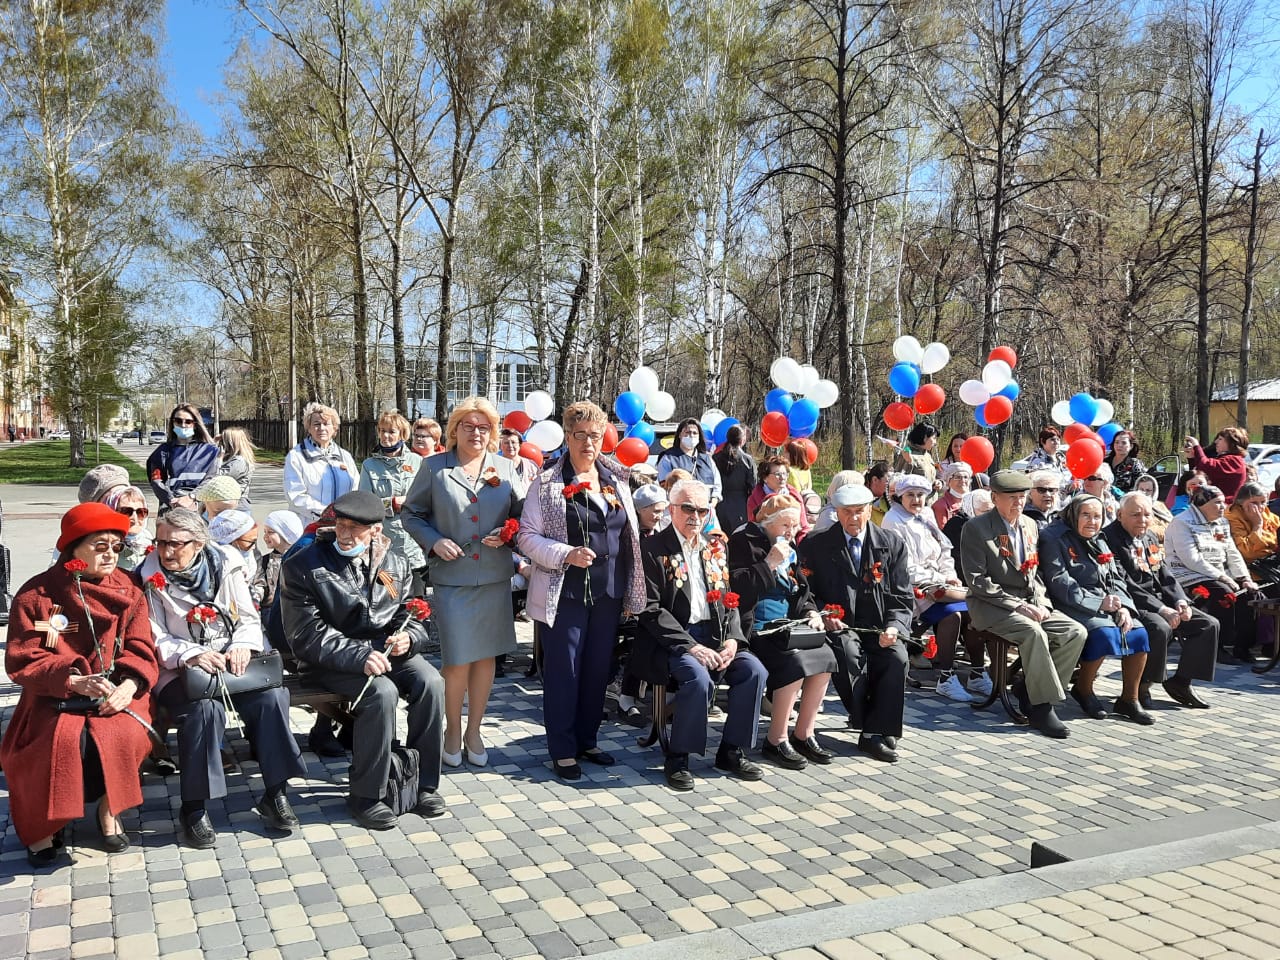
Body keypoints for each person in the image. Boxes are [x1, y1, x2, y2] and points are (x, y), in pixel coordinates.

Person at [2, 503, 159, 867]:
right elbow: (22, 659)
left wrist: (129, 685)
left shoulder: (130, 588)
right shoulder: (36, 595)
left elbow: (140, 646)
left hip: (115, 691)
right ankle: (46, 824)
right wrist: (71, 679)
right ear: (73, 548)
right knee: (52, 743)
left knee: (126, 734)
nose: (110, 555)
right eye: (100, 546)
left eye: (116, 547)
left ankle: (109, 809)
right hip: (53, 695)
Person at [139, 508, 307, 848]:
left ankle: (275, 793)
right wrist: (191, 654)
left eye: (175, 544)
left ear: (199, 543)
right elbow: (154, 635)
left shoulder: (225, 562)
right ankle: (194, 808)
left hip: (232, 663)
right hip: (180, 669)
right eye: (161, 542)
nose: (166, 551)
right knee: (204, 711)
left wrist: (242, 645)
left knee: (272, 698)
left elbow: (247, 617)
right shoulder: (149, 574)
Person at [280, 491, 446, 828]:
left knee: (431, 682)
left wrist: (409, 637)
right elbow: (305, 634)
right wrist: (359, 655)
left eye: (354, 528)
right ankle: (367, 795)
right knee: (381, 693)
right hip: (327, 660)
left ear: (375, 530)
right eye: (340, 524)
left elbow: (412, 614)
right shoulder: (304, 564)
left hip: (384, 651)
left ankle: (422, 784)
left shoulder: (396, 562)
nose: (344, 534)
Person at [517, 401, 646, 780]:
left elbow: (628, 532)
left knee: (596, 670)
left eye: (595, 435)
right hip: (565, 592)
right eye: (580, 435)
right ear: (567, 437)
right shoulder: (547, 483)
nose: (588, 443)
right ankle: (562, 749)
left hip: (609, 592)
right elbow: (526, 536)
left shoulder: (616, 479)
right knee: (565, 671)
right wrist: (565, 553)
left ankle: (588, 740)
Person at [402, 396, 523, 768]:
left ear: (493, 431)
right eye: (468, 426)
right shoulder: (435, 467)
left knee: (485, 657)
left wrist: (508, 532)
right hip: (452, 577)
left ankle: (475, 730)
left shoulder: (506, 467)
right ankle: (452, 730)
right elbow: (411, 513)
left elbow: (522, 516)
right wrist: (434, 540)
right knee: (457, 659)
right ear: (454, 430)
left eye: (484, 427)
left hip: (493, 577)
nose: (476, 433)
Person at [632, 479, 768, 790]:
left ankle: (731, 751)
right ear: (672, 509)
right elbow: (650, 609)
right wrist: (691, 646)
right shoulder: (652, 550)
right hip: (674, 640)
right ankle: (678, 757)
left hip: (716, 634)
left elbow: (730, 600)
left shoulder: (715, 547)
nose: (695, 516)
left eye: (702, 510)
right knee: (698, 678)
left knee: (754, 671)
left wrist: (733, 638)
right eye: (688, 509)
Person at [958, 470, 1087, 739]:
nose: (1018, 502)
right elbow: (977, 580)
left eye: (1022, 496)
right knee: (1033, 633)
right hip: (991, 605)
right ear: (995, 498)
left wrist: (1042, 603)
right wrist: (1017, 606)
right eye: (1011, 497)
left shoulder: (1029, 524)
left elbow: (1034, 572)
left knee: (1074, 632)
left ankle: (1030, 691)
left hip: (1029, 601)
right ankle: (1041, 708)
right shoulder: (976, 528)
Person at [798, 483, 912, 762]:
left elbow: (901, 596)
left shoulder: (891, 543)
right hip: (840, 625)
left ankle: (876, 728)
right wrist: (822, 614)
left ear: (870, 510)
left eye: (859, 511)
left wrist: (894, 626)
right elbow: (805, 591)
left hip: (879, 623)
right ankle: (873, 730)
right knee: (848, 655)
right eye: (846, 512)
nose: (853, 518)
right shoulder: (815, 543)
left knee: (896, 657)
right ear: (836, 512)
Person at [727, 494, 836, 770]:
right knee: (794, 661)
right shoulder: (744, 541)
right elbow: (737, 587)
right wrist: (769, 563)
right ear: (767, 522)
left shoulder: (789, 546)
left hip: (788, 624)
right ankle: (776, 739)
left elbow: (801, 590)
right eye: (785, 525)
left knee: (825, 656)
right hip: (756, 626)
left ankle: (804, 733)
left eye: (794, 526)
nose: (791, 531)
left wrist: (810, 611)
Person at [1039, 495, 1153, 724]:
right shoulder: (1053, 537)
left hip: (1105, 601)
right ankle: (1084, 689)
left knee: (1138, 633)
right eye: (1086, 515)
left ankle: (1129, 699)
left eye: (1097, 516)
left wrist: (1124, 607)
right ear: (1074, 514)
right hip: (1070, 602)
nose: (1092, 522)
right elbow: (1059, 581)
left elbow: (1115, 578)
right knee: (1105, 633)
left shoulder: (1099, 539)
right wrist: (1098, 603)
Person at [881, 475, 991, 702]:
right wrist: (939, 578)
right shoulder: (893, 520)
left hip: (939, 581)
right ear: (900, 497)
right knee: (952, 616)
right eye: (910, 495)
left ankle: (977, 673)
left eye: (920, 495)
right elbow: (904, 567)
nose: (916, 500)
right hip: (910, 586)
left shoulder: (927, 514)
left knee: (973, 611)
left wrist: (950, 575)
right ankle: (946, 678)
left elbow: (944, 550)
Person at [1104, 493, 1218, 709]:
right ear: (1120, 515)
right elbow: (1124, 583)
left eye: (1147, 515)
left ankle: (1181, 682)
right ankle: (1142, 686)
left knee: (1207, 624)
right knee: (1160, 627)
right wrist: (1162, 609)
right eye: (1136, 515)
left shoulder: (1149, 536)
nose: (1143, 520)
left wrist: (1180, 601)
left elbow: (1164, 573)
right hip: (1132, 602)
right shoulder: (1109, 538)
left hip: (1159, 599)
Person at [1165, 484, 1263, 663]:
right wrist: (1222, 577)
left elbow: (1232, 553)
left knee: (1250, 594)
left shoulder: (1222, 522)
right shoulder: (1181, 522)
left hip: (1218, 573)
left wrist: (1245, 578)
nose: (1223, 506)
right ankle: (1217, 648)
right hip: (1188, 575)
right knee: (1224, 594)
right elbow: (1192, 559)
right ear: (1202, 504)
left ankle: (1242, 647)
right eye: (1217, 502)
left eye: (1224, 502)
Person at [359, 411, 426, 591]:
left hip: (414, 545)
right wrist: (392, 503)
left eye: (391, 431)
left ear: (402, 435)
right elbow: (365, 505)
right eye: (382, 431)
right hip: (385, 545)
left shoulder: (418, 462)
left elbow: (428, 499)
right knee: (390, 598)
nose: (385, 436)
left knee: (417, 602)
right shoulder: (369, 466)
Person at [284, 402, 358, 524]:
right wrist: (326, 513)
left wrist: (347, 514)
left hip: (343, 524)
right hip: (309, 525)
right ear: (309, 428)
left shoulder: (345, 457)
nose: (322, 428)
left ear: (334, 427)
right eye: (316, 424)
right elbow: (295, 496)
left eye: (326, 424)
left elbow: (355, 489)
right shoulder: (296, 457)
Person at [146, 404, 220, 511]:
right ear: (173, 423)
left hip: (201, 507)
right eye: (178, 421)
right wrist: (171, 501)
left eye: (188, 422)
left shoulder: (211, 451)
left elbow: (212, 479)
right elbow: (157, 481)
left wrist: (192, 497)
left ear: (195, 424)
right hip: (171, 507)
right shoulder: (162, 451)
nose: (183, 425)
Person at [657, 417, 722, 504]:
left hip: (705, 508)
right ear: (679, 435)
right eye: (687, 432)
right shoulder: (668, 458)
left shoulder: (707, 459)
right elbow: (664, 488)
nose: (691, 436)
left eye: (695, 433)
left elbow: (717, 486)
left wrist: (712, 503)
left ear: (699, 437)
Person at [1226, 481, 1280, 585]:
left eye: (1263, 502)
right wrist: (1257, 525)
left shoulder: (1268, 515)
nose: (1260, 507)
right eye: (1254, 503)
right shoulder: (1232, 518)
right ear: (1240, 502)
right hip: (1251, 574)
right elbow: (1247, 553)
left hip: (1273, 567)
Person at [252, 510, 304, 611]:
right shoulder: (265, 560)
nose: (265, 536)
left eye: (270, 532)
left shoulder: (299, 559)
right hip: (271, 609)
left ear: (286, 533)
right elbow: (260, 583)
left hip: (294, 610)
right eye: (265, 532)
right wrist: (256, 598)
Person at [747, 456, 809, 534]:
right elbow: (753, 529)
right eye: (777, 474)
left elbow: (803, 527)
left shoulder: (794, 496)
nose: (782, 477)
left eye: (784, 474)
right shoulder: (755, 499)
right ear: (765, 478)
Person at [1183, 428, 1249, 502]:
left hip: (1225, 506)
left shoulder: (1234, 461)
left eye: (1220, 439)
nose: (1216, 442)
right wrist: (1192, 457)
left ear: (1231, 443)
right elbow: (1197, 474)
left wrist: (1196, 446)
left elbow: (1205, 465)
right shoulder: (1228, 460)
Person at [712, 424, 756, 534]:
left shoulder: (715, 458)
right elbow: (753, 486)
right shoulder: (747, 460)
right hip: (740, 506)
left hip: (719, 504)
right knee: (738, 537)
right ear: (742, 439)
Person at [104, 485, 154, 572]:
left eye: (140, 512)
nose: (134, 518)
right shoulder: (105, 545)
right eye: (126, 511)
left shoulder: (148, 539)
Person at [943, 489, 993, 573]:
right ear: (971, 509)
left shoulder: (988, 524)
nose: (990, 515)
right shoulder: (957, 526)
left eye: (992, 511)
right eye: (986, 511)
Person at [893, 423, 938, 494]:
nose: (935, 442)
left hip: (932, 499)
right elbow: (898, 479)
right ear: (925, 438)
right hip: (916, 499)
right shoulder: (907, 454)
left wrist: (937, 482)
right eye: (934, 438)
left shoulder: (927, 455)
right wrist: (909, 462)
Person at [217, 427, 257, 507]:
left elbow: (217, 477)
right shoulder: (231, 459)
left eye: (223, 441)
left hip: (236, 504)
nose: (220, 444)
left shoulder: (239, 462)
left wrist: (219, 459)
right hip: (226, 502)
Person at [931, 461, 973, 530]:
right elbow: (943, 534)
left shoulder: (974, 502)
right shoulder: (940, 506)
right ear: (948, 481)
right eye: (958, 477)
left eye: (966, 477)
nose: (962, 480)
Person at [1132, 474, 1172, 541]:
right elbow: (1143, 531)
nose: (1144, 493)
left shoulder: (1159, 506)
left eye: (1148, 490)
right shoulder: (1132, 508)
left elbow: (1173, 525)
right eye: (1141, 490)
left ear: (1154, 492)